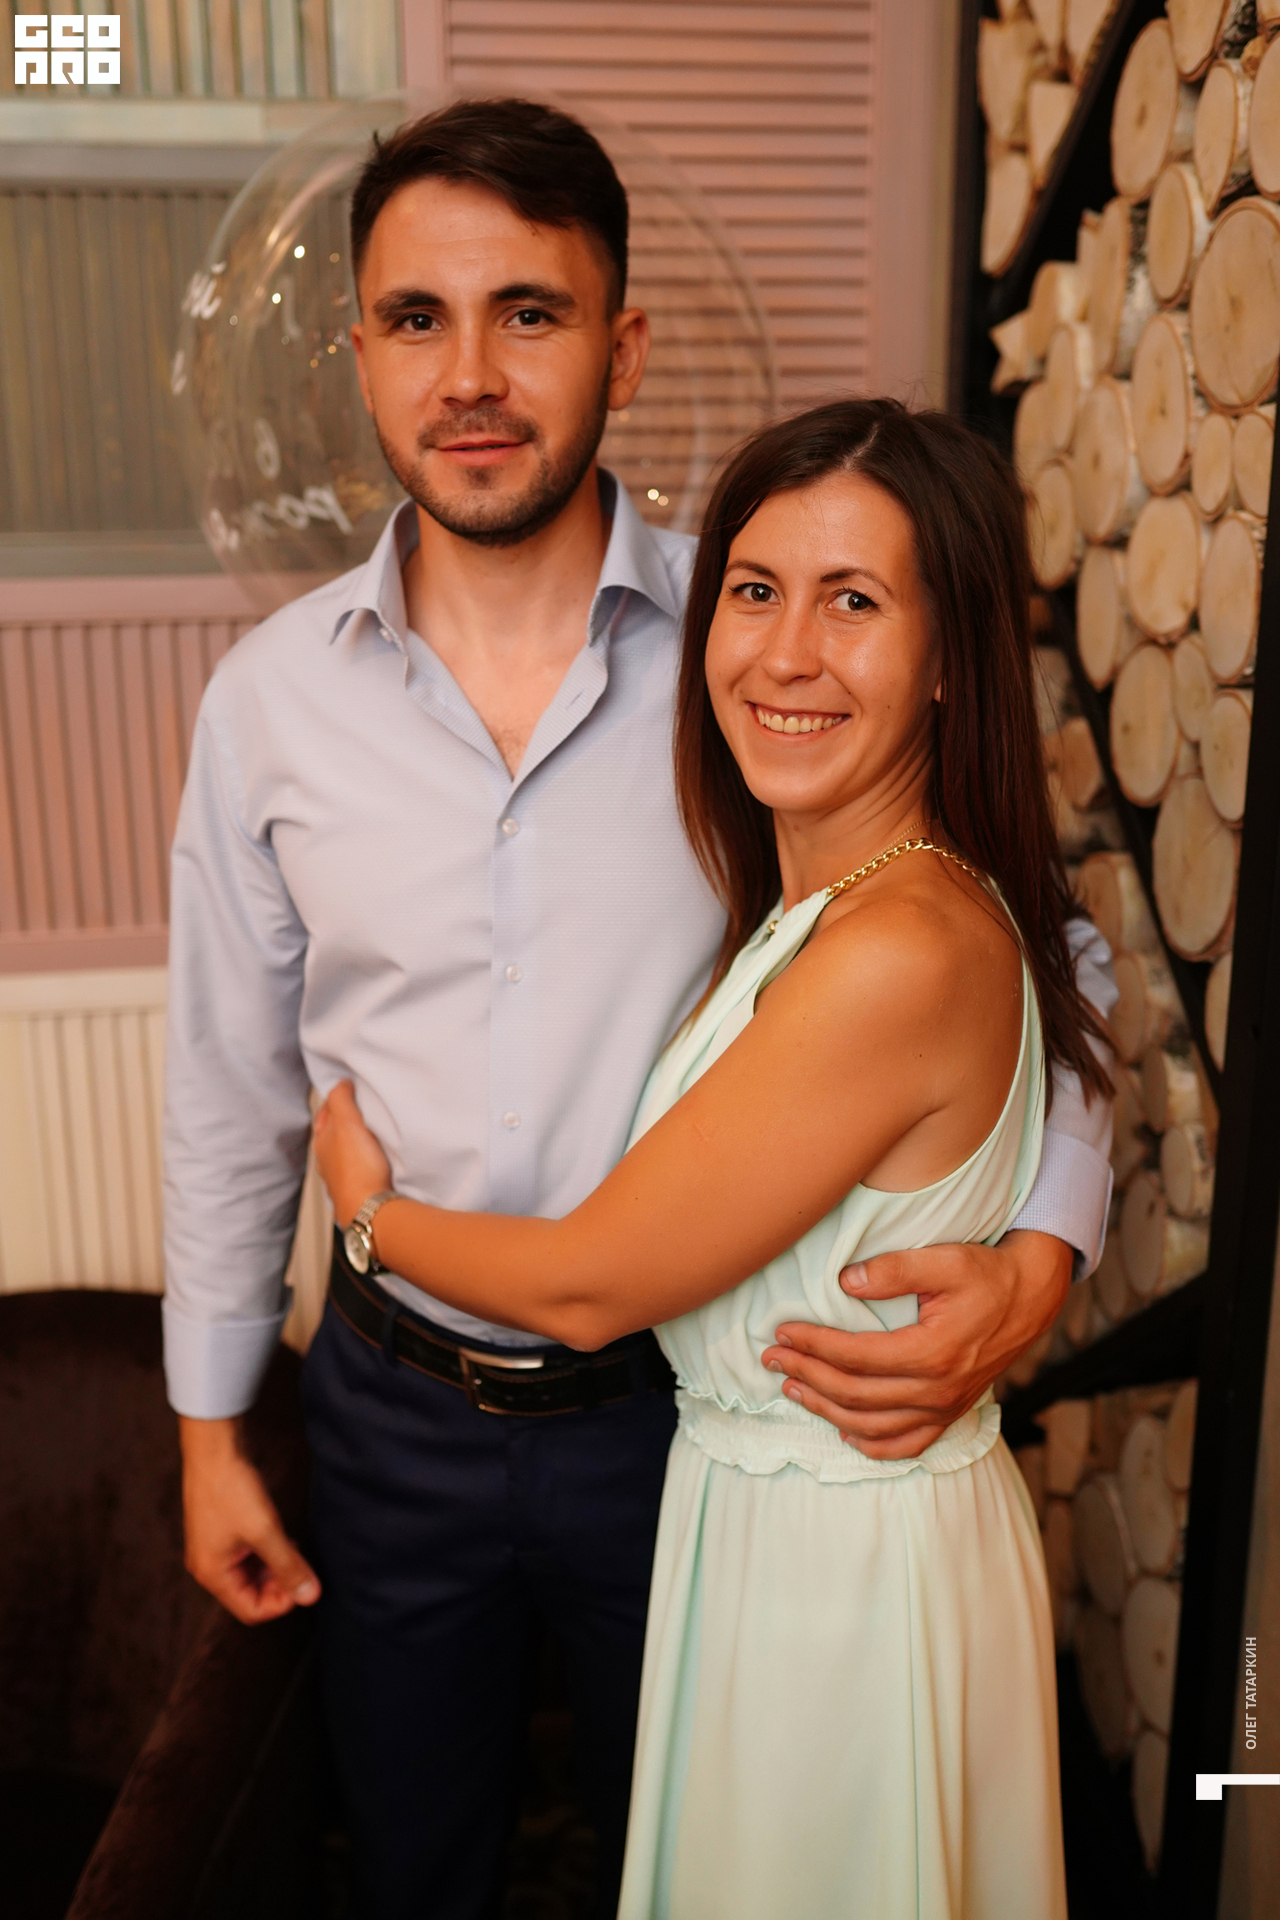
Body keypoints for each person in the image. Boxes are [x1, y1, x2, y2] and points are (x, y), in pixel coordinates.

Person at [163, 101, 1113, 1920]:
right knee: (415, 1863)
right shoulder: (268, 704)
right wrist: (211, 1435)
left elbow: (1042, 948)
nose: (470, 374)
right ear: (360, 355)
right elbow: (225, 1080)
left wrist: (1041, 1251)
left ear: (623, 345)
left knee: (691, 1852)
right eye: (418, 318)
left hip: (679, 1415)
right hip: (392, 1407)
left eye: (528, 311)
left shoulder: (760, 644)